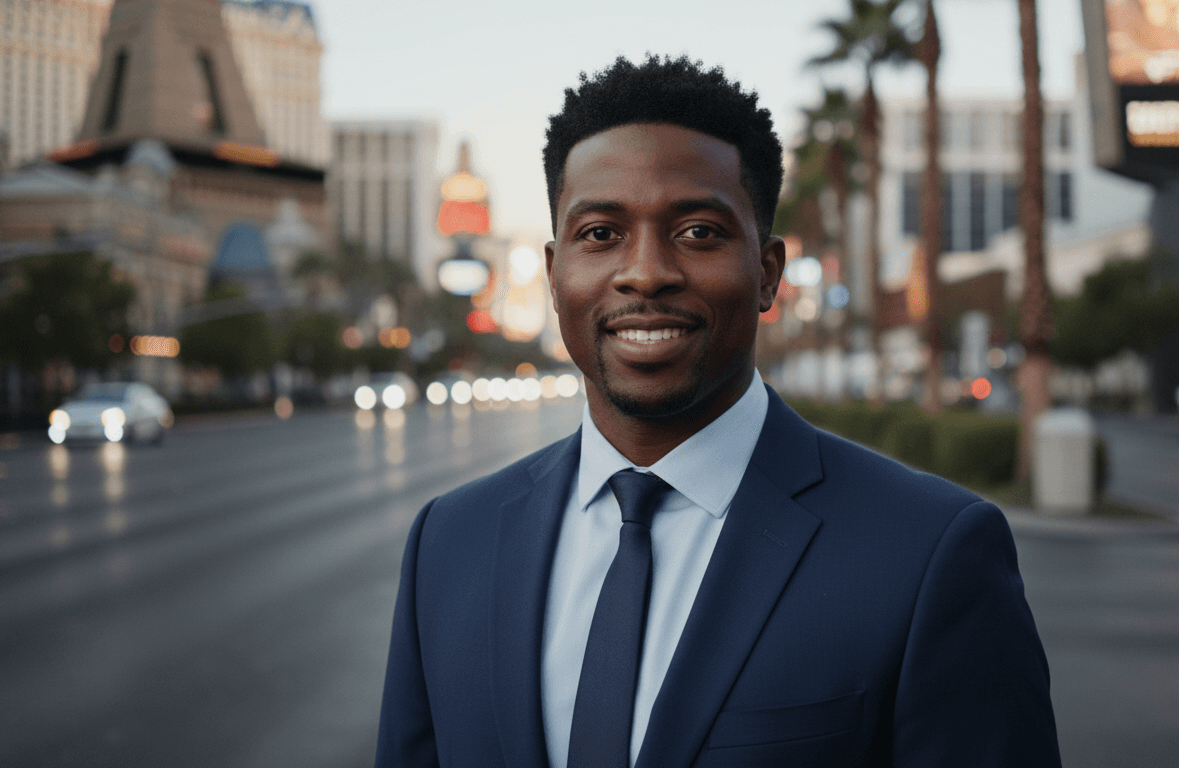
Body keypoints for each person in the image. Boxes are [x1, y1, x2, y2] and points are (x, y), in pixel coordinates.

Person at [375, 55, 1061, 768]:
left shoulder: (929, 553)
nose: (645, 272)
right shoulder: (447, 543)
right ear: (553, 275)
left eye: (698, 232)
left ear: (766, 273)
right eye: (601, 234)